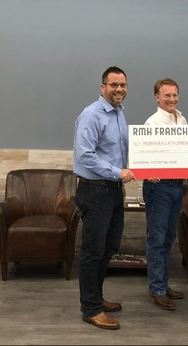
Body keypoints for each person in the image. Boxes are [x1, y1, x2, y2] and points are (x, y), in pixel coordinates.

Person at [73, 66, 135, 330]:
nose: (119, 89)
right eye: (114, 85)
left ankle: (96, 297)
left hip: (112, 190)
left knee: (108, 248)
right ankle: (91, 309)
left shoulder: (120, 115)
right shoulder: (91, 115)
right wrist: (117, 172)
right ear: (103, 87)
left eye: (122, 85)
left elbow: (123, 153)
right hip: (95, 190)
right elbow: (85, 155)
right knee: (92, 251)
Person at [143, 78, 187, 311]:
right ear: (157, 97)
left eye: (175, 95)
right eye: (166, 95)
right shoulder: (152, 123)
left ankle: (162, 283)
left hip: (177, 185)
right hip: (159, 187)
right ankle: (157, 289)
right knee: (157, 239)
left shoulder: (182, 119)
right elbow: (145, 158)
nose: (171, 99)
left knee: (169, 237)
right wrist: (149, 170)